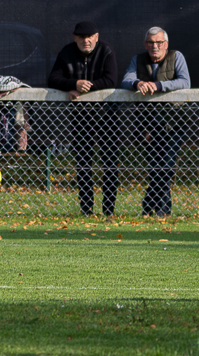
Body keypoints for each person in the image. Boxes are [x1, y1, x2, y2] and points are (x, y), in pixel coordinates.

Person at [48, 21, 118, 217]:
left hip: (107, 117)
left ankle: (108, 211)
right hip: (80, 118)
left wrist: (87, 86)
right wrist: (73, 84)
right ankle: (86, 209)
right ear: (75, 38)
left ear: (96, 36)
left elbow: (111, 79)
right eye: (81, 37)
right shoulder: (67, 52)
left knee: (110, 163)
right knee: (84, 164)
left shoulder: (106, 51)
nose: (86, 41)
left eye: (90, 37)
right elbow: (52, 79)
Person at [120, 26, 191, 217]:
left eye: (159, 42)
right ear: (145, 44)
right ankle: (161, 211)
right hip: (148, 126)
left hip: (174, 124)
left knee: (166, 166)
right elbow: (126, 79)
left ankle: (150, 205)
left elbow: (185, 82)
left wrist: (159, 86)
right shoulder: (138, 60)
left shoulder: (177, 57)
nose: (155, 46)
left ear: (166, 44)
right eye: (151, 42)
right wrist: (138, 83)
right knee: (155, 168)